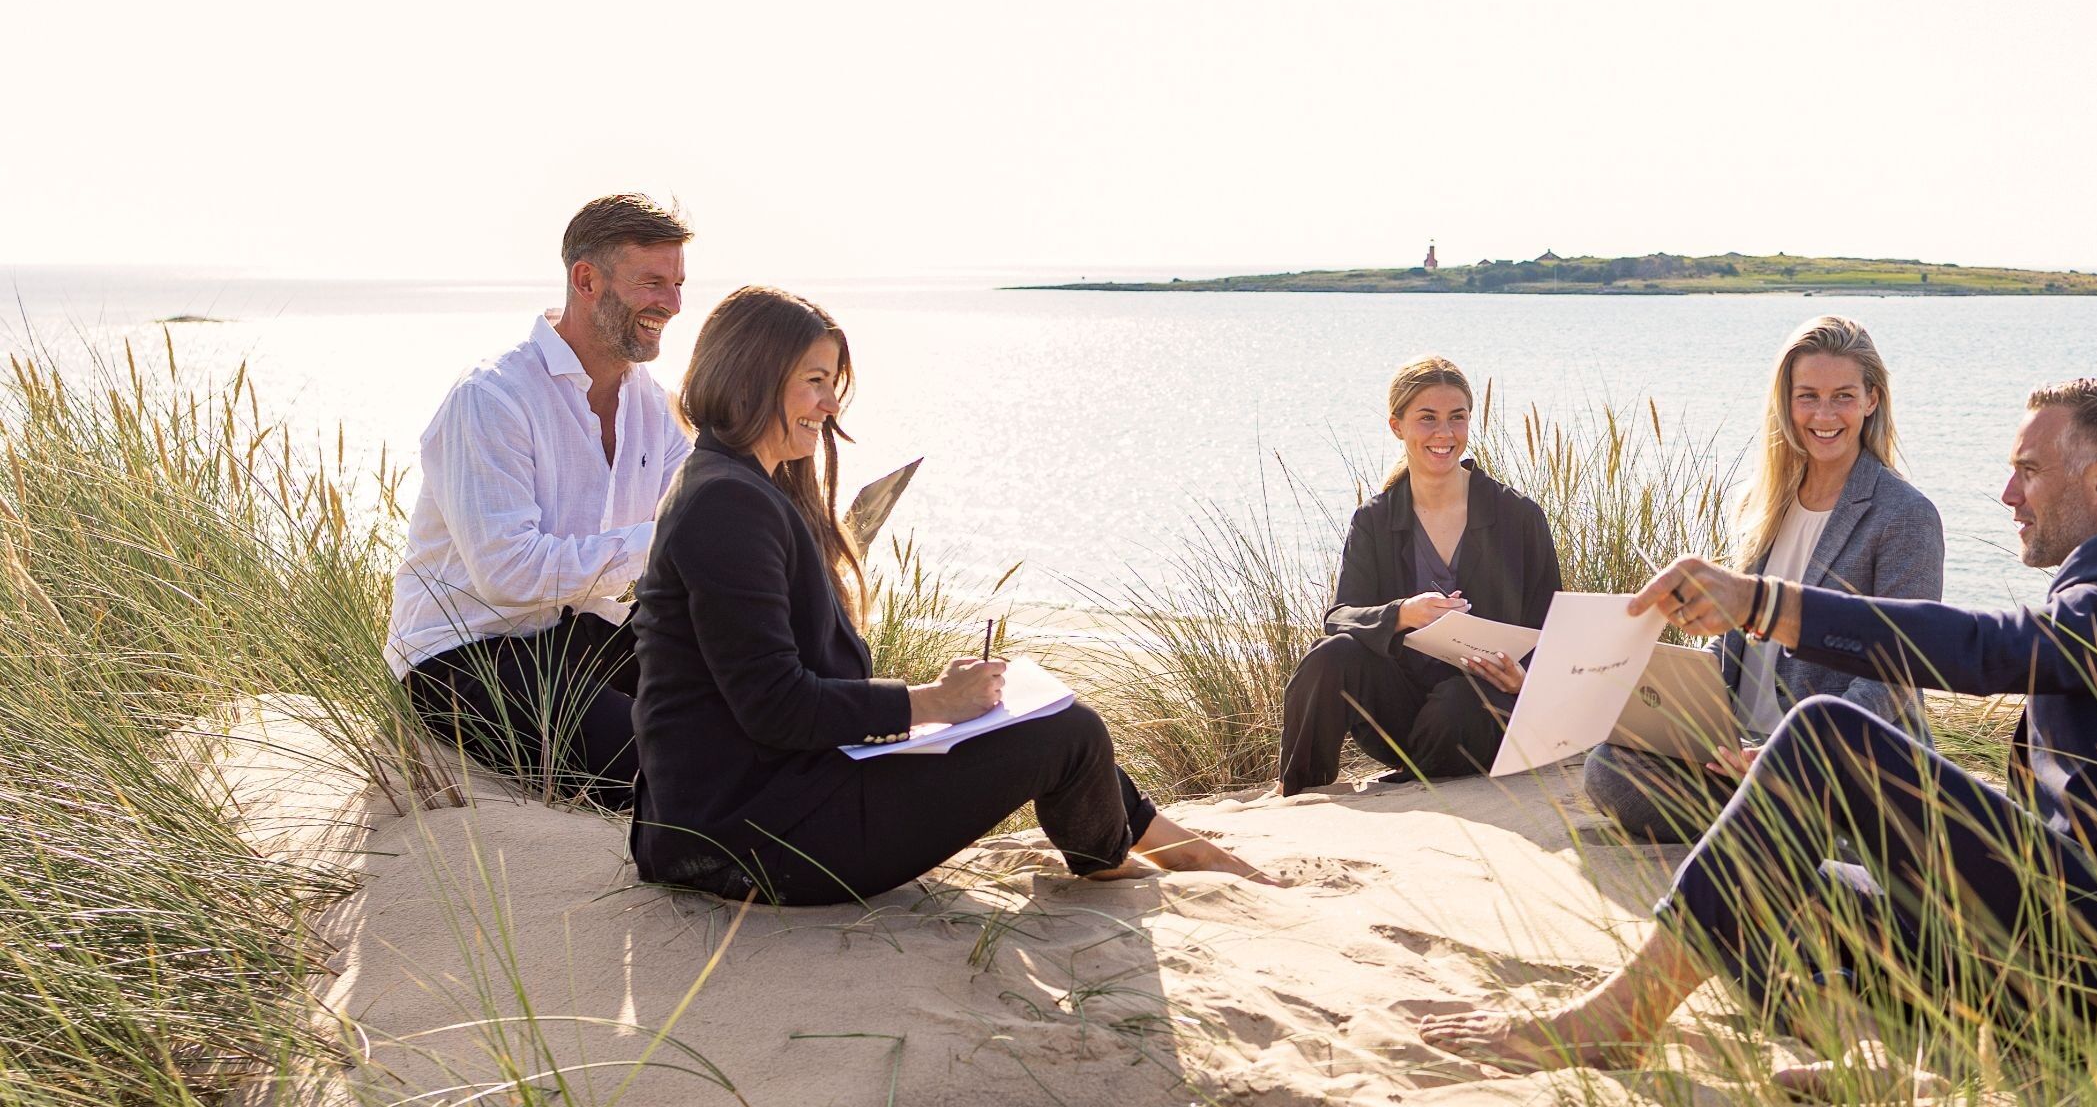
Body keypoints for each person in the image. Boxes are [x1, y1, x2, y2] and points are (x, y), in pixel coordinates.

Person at [1420, 380, 2097, 1083]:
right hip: (2077, 948)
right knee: (1796, 882)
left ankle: (1619, 1017)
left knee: (1828, 736)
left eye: (2029, 473)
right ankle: (1895, 1052)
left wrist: (1766, 605)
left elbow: (1986, 649)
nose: (2008, 496)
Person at [630, 285, 1269, 903]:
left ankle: (1155, 843)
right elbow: (773, 706)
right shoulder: (726, 502)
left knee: (1042, 716)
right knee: (1069, 733)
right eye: (814, 380)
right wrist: (932, 701)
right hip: (754, 842)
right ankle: (1131, 860)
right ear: (752, 376)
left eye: (832, 383)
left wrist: (939, 706)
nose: (830, 406)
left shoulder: (738, 483)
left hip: (763, 811)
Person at [1580, 315, 1944, 842]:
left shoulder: (1905, 514)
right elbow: (1740, 651)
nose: (1823, 414)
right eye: (1807, 396)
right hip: (1734, 747)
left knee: (1802, 797)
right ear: (1786, 402)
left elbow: (1899, 672)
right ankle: (1773, 827)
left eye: (1842, 396)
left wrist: (1788, 756)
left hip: (1839, 760)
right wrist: (1674, 694)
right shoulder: (1759, 503)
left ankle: (1792, 823)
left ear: (1872, 400)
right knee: (1609, 768)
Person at [386, 194, 695, 808]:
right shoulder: (493, 398)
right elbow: (509, 574)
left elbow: (700, 512)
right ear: (587, 280)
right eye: (652, 282)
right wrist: (674, 539)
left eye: (678, 284)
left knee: (732, 705)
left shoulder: (652, 406)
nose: (672, 303)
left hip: (575, 628)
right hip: (460, 657)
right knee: (659, 770)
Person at [1277, 356, 1561, 796]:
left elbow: (1552, 626)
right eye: (1427, 419)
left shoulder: (1518, 517)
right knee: (1329, 655)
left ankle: (1414, 783)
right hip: (1400, 708)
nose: (1444, 434)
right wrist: (1401, 614)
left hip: (1484, 705)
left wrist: (1525, 679)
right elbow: (1340, 617)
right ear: (1397, 426)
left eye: (1457, 418)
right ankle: (1295, 793)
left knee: (1456, 704)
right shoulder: (1374, 519)